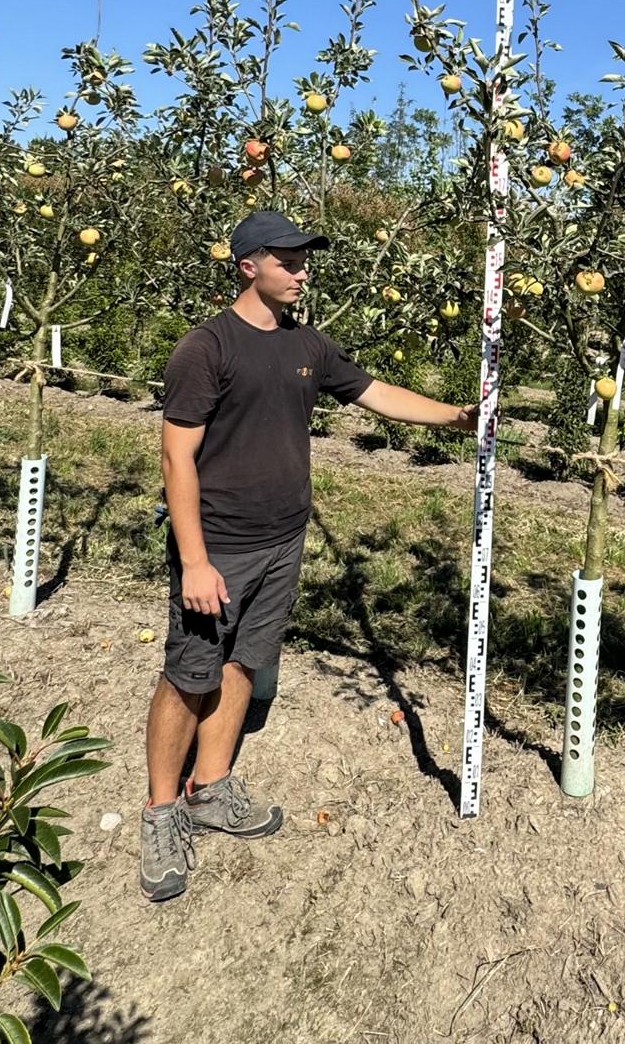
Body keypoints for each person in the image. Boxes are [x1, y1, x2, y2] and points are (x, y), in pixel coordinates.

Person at [140, 209, 478, 901]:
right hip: (221, 543)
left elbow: (374, 393)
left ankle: (211, 789)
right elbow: (177, 457)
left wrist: (454, 415)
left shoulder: (308, 345)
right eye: (288, 260)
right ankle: (160, 812)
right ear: (248, 266)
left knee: (243, 663)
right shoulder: (205, 349)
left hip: (282, 538)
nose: (302, 271)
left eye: (303, 260)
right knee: (189, 674)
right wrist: (195, 560)